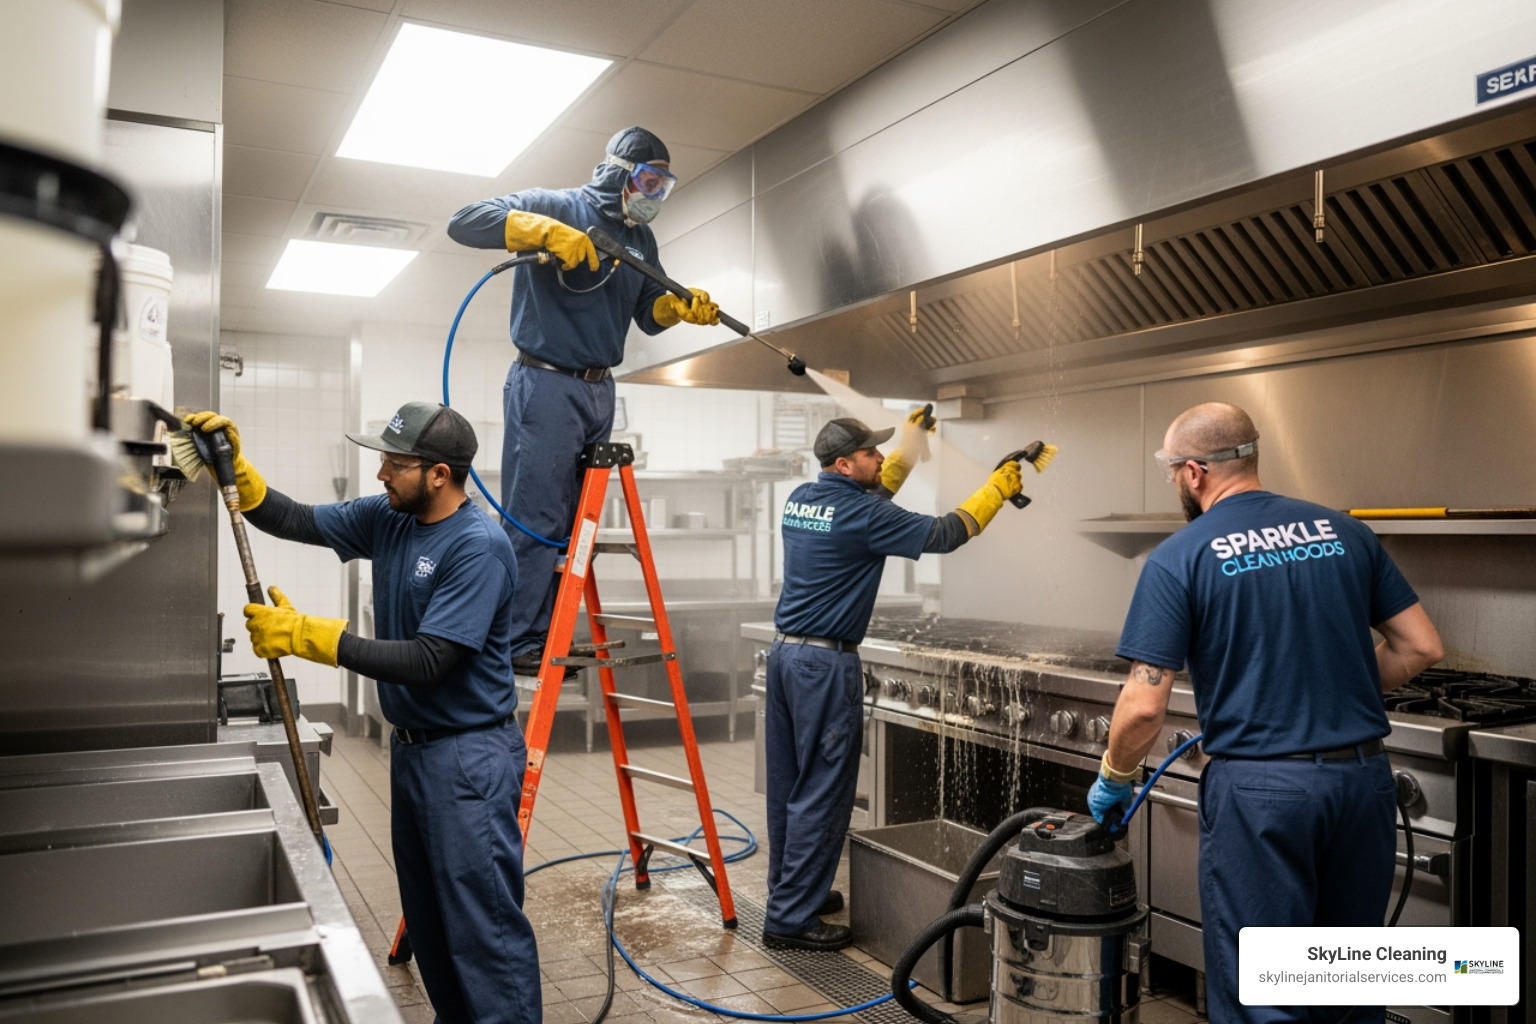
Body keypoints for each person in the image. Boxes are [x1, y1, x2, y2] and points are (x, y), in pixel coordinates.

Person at [1087, 402, 1443, 1024]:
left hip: (1262, 793)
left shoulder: (1181, 556)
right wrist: (1336, 689)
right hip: (1361, 785)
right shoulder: (1346, 532)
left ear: (1193, 472)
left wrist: (1114, 778)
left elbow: (1143, 706)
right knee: (1349, 985)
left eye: (1172, 471)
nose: (1175, 482)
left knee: (1267, 994)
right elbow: (1421, 646)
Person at [186, 403, 540, 1024]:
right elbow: (295, 519)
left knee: (482, 926)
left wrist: (307, 637)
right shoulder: (390, 517)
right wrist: (237, 470)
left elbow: (432, 660)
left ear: (438, 474)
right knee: (431, 919)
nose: (380, 473)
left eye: (394, 463)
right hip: (414, 751)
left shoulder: (477, 548)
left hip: (469, 758)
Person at [446, 126, 719, 675]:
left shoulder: (641, 242)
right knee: (535, 516)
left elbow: (648, 311)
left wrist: (678, 308)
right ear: (619, 171)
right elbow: (464, 222)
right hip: (546, 381)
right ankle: (514, 640)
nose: (654, 195)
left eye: (664, 186)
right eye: (648, 180)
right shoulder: (558, 205)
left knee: (573, 525)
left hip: (600, 388)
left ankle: (548, 634)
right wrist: (544, 232)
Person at [764, 410, 1033, 950]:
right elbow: (945, 533)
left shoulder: (803, 499)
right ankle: (790, 920)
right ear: (845, 464)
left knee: (791, 786)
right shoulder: (864, 516)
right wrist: (996, 489)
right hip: (824, 666)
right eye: (872, 453)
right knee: (822, 791)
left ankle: (795, 893)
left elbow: (874, 496)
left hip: (786, 659)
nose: (880, 459)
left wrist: (908, 445)